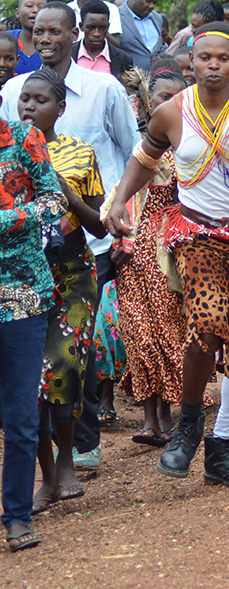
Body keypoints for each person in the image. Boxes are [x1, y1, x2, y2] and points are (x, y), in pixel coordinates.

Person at [102, 22, 229, 487]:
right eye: (204, 57)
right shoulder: (171, 113)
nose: (213, 65)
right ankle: (188, 427)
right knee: (206, 324)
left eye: (223, 59)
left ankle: (221, 446)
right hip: (198, 239)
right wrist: (116, 204)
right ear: (191, 61)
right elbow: (144, 160)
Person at [18, 68, 106, 514]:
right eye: (24, 100)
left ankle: (67, 459)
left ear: (61, 108)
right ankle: (47, 476)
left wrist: (68, 193)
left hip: (73, 274)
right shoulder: (8, 153)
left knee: (65, 367)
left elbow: (99, 223)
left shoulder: (79, 154)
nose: (30, 107)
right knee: (30, 380)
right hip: (23, 278)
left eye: (40, 100)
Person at [0, 106, 66, 552]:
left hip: (22, 292)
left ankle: (17, 516)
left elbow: (53, 200)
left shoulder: (25, 138)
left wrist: (7, 219)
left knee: (21, 417)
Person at [113, 69, 190, 446]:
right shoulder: (139, 149)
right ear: (146, 102)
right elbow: (123, 198)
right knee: (138, 332)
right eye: (162, 97)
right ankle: (148, 418)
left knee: (167, 327)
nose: (169, 104)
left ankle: (167, 412)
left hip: (171, 249)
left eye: (177, 97)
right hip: (133, 250)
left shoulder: (188, 149)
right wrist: (120, 245)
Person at [71, 0, 134, 79]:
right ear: (81, 26)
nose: (97, 33)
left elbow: (128, 90)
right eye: (91, 27)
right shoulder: (68, 54)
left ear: (108, 27)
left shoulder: (123, 59)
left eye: (102, 28)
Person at [118, 0, 165, 71]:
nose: (152, 6)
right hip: (128, 80)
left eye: (154, 2)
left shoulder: (157, 19)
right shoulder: (117, 16)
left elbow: (158, 49)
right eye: (148, 1)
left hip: (155, 79)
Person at [7, 0, 46, 75]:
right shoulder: (5, 39)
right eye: (29, 6)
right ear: (18, 13)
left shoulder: (53, 42)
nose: (35, 10)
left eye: (41, 7)